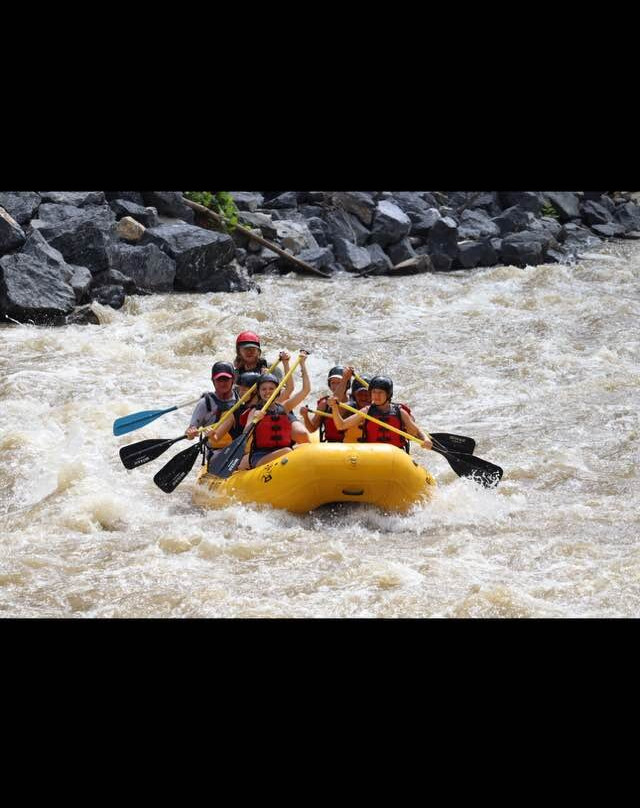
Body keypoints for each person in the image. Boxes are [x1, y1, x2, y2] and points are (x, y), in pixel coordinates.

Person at [211, 352, 311, 469]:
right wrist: (255, 419)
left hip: (280, 451)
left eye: (271, 389)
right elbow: (246, 431)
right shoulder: (254, 411)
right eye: (263, 389)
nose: (267, 392)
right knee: (287, 451)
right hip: (260, 456)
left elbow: (304, 390)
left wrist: (302, 364)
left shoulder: (283, 407)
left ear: (277, 391)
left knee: (297, 447)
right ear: (258, 392)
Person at [327, 375, 432, 452]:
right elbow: (341, 425)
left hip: (396, 456)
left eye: (380, 393)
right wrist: (335, 408)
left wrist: (425, 439)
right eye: (374, 392)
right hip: (373, 455)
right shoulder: (367, 411)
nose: (376, 396)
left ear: (388, 394)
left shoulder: (399, 412)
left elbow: (417, 430)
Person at [185, 361, 239, 470]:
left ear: (233, 379)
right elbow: (190, 432)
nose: (223, 383)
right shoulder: (205, 403)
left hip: (238, 449)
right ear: (213, 381)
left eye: (226, 379)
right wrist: (191, 433)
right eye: (219, 380)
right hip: (216, 452)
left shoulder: (241, 398)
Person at [299, 365, 351, 442]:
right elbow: (312, 429)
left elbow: (337, 400)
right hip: (331, 445)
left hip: (351, 445)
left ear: (347, 384)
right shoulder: (324, 404)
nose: (336, 386)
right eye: (333, 383)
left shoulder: (355, 401)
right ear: (329, 385)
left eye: (339, 382)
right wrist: (305, 416)